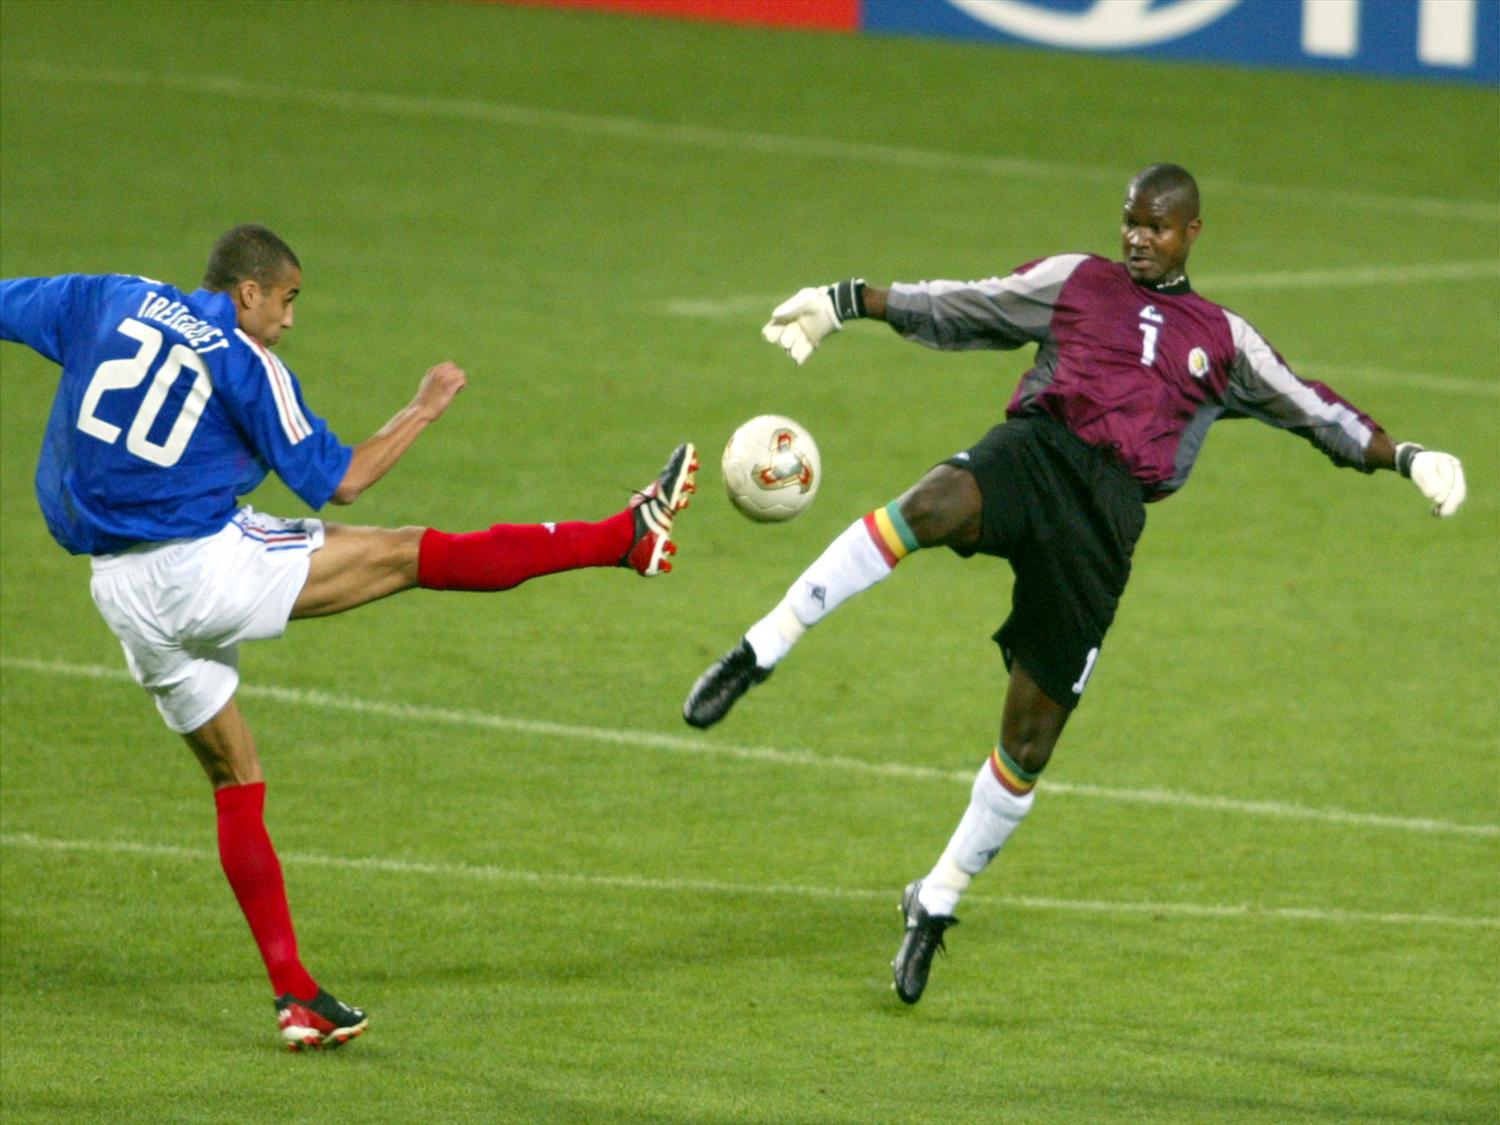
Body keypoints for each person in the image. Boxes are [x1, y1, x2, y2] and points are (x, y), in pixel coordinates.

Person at [683, 164, 1466, 1005]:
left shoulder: (1223, 337)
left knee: (1030, 739)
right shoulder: (1077, 281)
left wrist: (1409, 456)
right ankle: (761, 647)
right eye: (1130, 220)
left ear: (1192, 231)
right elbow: (964, 305)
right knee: (931, 504)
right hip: (1035, 455)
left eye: (1156, 225)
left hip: (1107, 523)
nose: (1138, 236)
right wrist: (845, 302)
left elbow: (1313, 409)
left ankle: (935, 897)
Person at [0, 224, 699, 1049]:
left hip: (118, 589)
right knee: (406, 554)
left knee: (235, 772)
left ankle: (295, 996)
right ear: (248, 292)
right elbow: (344, 479)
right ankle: (623, 537)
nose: (291, 320)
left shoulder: (106, 296)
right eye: (288, 299)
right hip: (199, 567)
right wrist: (421, 406)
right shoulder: (243, 359)